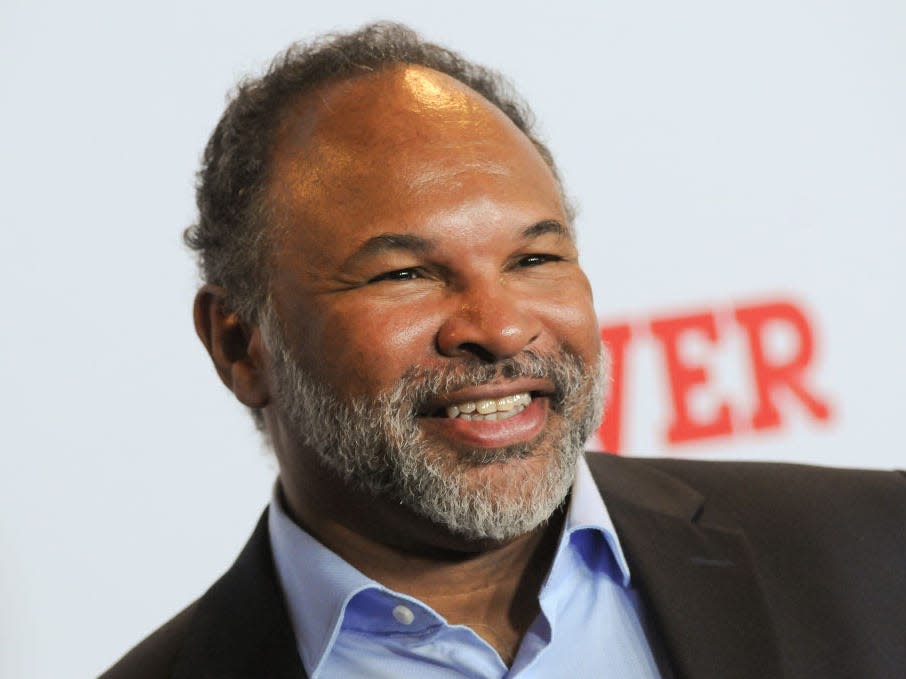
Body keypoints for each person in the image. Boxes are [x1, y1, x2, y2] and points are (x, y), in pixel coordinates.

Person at [101, 22, 906, 679]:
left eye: (535, 259)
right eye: (406, 272)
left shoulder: (876, 550)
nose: (500, 325)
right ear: (239, 345)